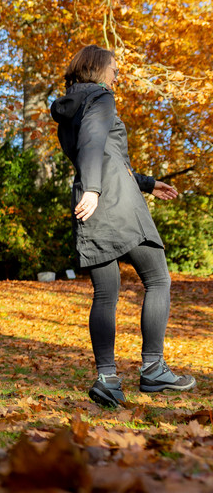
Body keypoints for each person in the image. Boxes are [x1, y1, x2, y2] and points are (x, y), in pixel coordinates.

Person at [50, 44, 196, 407]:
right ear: (99, 69)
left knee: (106, 293)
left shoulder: (70, 105)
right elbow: (93, 143)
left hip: (89, 200)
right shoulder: (101, 97)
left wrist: (148, 183)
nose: (117, 75)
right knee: (158, 279)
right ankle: (153, 369)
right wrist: (98, 189)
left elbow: (103, 153)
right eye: (114, 68)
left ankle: (107, 379)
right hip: (112, 199)